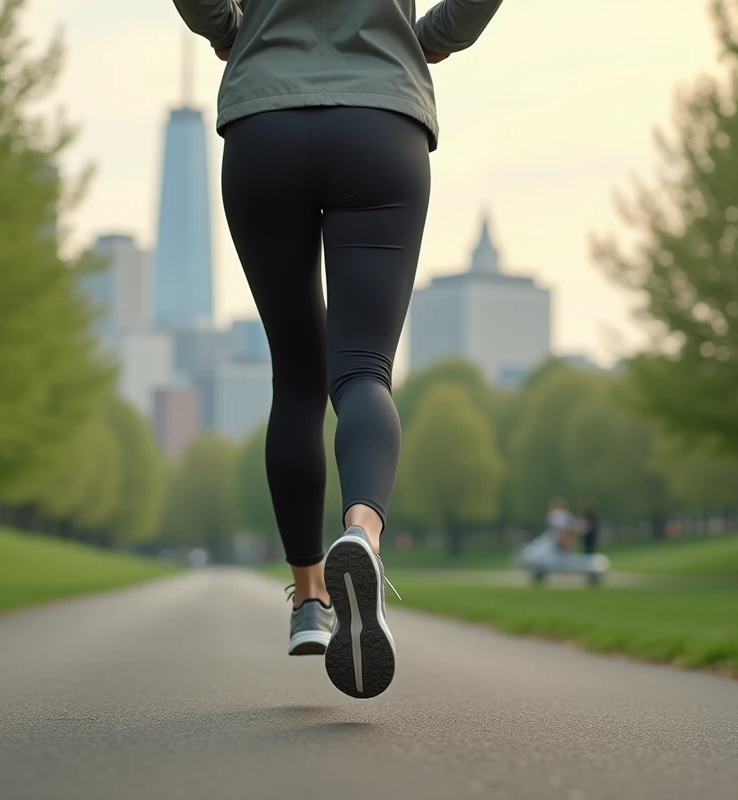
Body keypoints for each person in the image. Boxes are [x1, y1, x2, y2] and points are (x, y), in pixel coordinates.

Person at [171, 0, 507, 699]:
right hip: (381, 120)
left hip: (265, 124)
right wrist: (432, 38)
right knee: (362, 374)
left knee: (296, 379)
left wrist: (229, 31)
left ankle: (310, 602)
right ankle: (362, 534)